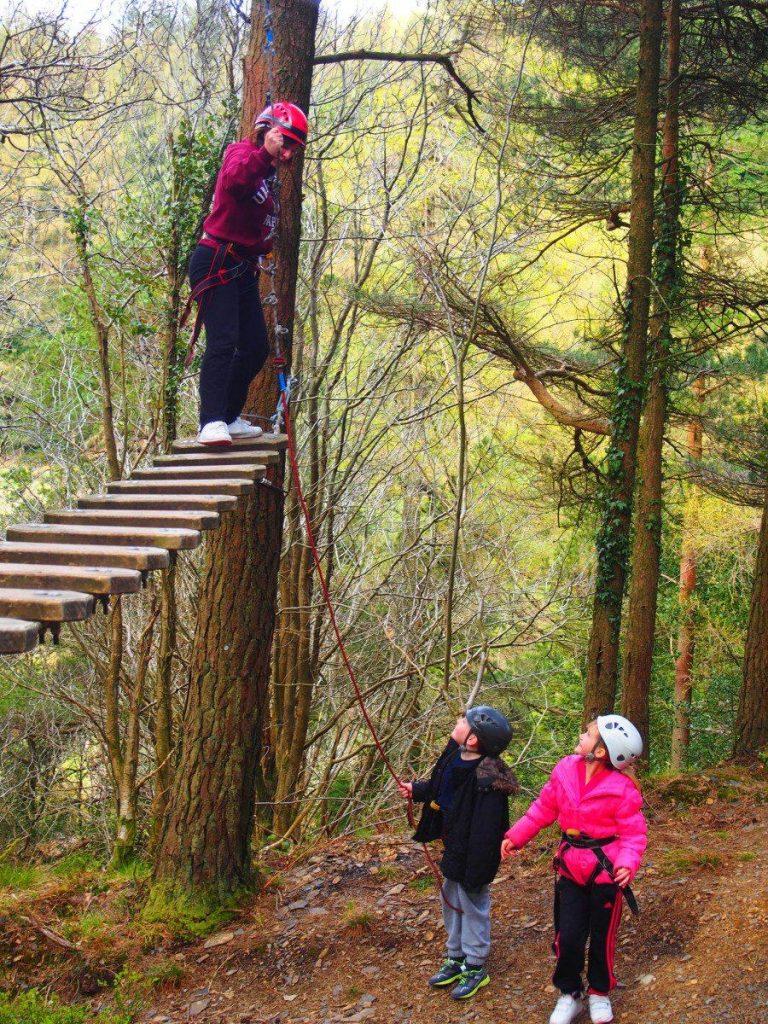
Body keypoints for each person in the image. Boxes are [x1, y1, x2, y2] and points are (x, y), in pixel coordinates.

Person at [501, 715, 647, 1024]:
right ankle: (570, 993)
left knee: (602, 937)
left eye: (588, 734)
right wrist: (516, 836)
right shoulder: (565, 768)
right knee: (567, 936)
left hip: (605, 872)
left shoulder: (623, 788)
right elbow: (543, 809)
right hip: (570, 868)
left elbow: (633, 834)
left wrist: (626, 863)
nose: (581, 735)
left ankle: (599, 992)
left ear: (601, 751)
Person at [188, 102, 308, 445]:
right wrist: (264, 153)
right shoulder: (240, 153)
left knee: (255, 347)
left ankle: (228, 417)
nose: (288, 154)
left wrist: (262, 249)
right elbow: (234, 181)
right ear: (269, 132)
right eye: (286, 144)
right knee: (223, 341)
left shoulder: (267, 176)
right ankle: (211, 422)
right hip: (216, 260)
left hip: (240, 267)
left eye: (293, 148)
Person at [398, 706, 519, 1001]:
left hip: (475, 855)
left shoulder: (488, 780)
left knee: (472, 902)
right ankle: (456, 956)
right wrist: (417, 790)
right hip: (454, 846)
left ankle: (475, 964)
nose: (457, 720)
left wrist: (477, 868)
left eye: (463, 720)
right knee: (450, 899)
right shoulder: (455, 756)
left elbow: (488, 831)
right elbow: (441, 787)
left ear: (474, 739)